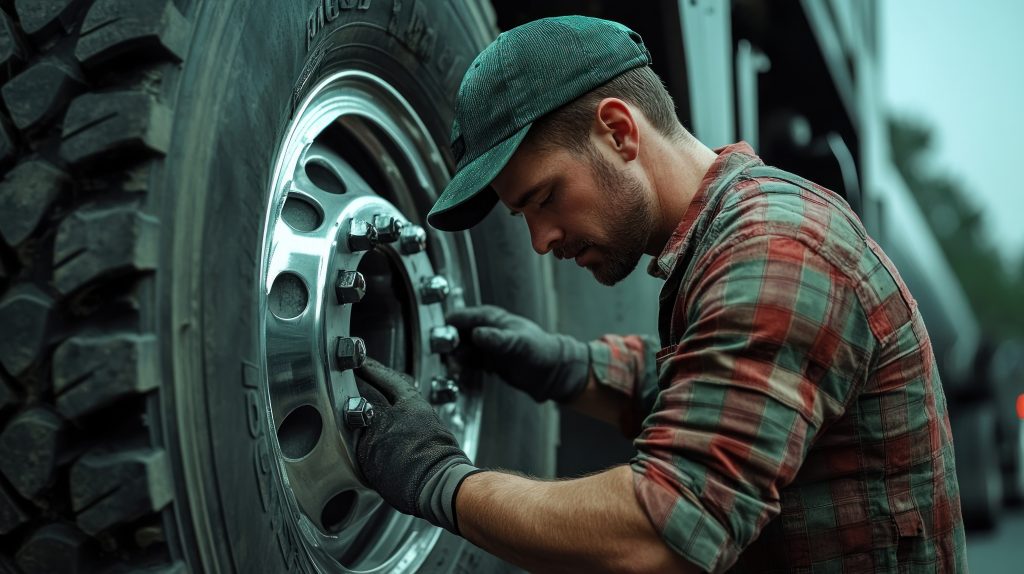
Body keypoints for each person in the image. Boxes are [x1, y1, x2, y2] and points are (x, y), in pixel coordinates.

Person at [351, 15, 967, 573]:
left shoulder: (776, 247)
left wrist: (438, 480)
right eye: (524, 216)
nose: (540, 240)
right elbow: (719, 384)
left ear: (619, 131)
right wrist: (564, 366)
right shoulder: (737, 229)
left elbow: (659, 534)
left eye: (544, 198)